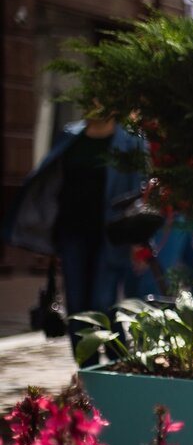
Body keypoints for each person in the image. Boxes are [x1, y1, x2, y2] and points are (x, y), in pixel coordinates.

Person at [2, 108, 145, 366]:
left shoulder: (130, 140)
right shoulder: (71, 135)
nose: (94, 104)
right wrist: (40, 232)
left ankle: (119, 362)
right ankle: (87, 370)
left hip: (111, 236)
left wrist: (139, 240)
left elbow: (139, 190)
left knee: (102, 303)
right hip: (72, 234)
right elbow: (49, 184)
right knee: (78, 306)